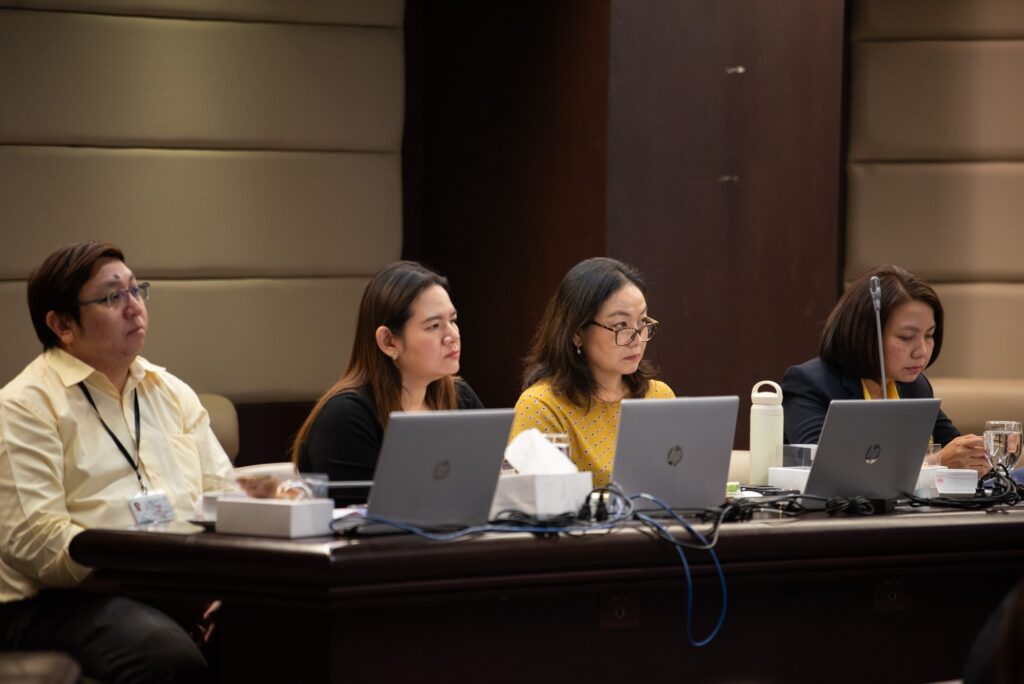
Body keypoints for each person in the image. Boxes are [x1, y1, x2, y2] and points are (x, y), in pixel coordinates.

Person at [0, 241, 235, 683]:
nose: (134, 308)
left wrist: (224, 587)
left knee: (278, 629)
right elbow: (39, 544)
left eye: (136, 290)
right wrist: (157, 586)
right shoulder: (26, 405)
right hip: (55, 602)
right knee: (165, 655)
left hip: (175, 583)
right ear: (63, 324)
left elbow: (223, 499)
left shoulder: (170, 392)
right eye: (112, 297)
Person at [292, 261, 483, 506]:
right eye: (434, 326)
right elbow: (361, 521)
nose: (452, 336)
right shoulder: (345, 418)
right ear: (388, 341)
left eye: (453, 320)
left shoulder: (460, 397)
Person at [781, 264, 987, 474]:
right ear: (865, 334)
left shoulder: (915, 387)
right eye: (906, 337)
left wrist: (977, 456)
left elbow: (957, 449)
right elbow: (825, 471)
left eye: (929, 335)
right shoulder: (810, 384)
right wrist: (935, 463)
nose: (922, 351)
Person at [509, 257, 675, 486]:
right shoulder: (541, 406)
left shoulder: (658, 396)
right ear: (577, 332)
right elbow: (541, 504)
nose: (636, 339)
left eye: (642, 322)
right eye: (620, 326)